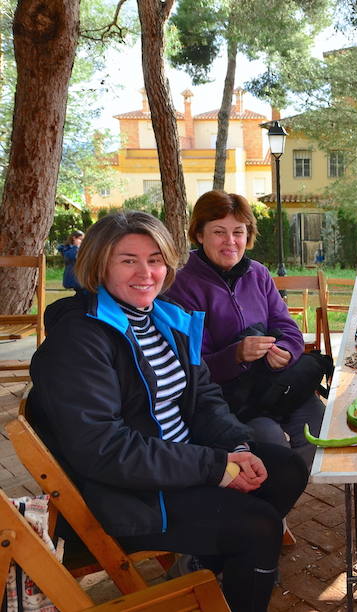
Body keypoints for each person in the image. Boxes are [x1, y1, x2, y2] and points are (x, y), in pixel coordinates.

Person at [27, 211, 308, 612]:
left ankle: (208, 563)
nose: (146, 272)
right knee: (258, 527)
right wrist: (214, 467)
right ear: (98, 263)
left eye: (156, 259)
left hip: (176, 463)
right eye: (128, 260)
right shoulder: (78, 342)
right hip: (127, 495)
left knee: (286, 467)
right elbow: (104, 450)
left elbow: (206, 398)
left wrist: (238, 447)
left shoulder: (164, 320)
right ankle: (224, 565)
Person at [166, 190, 326, 469]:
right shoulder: (181, 286)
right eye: (219, 232)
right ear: (200, 234)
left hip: (276, 386)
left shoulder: (258, 274)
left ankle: (290, 495)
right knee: (272, 446)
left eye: (238, 232)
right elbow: (191, 366)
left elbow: (287, 328)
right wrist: (236, 355)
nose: (230, 242)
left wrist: (286, 352)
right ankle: (270, 508)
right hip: (230, 403)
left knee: (321, 429)